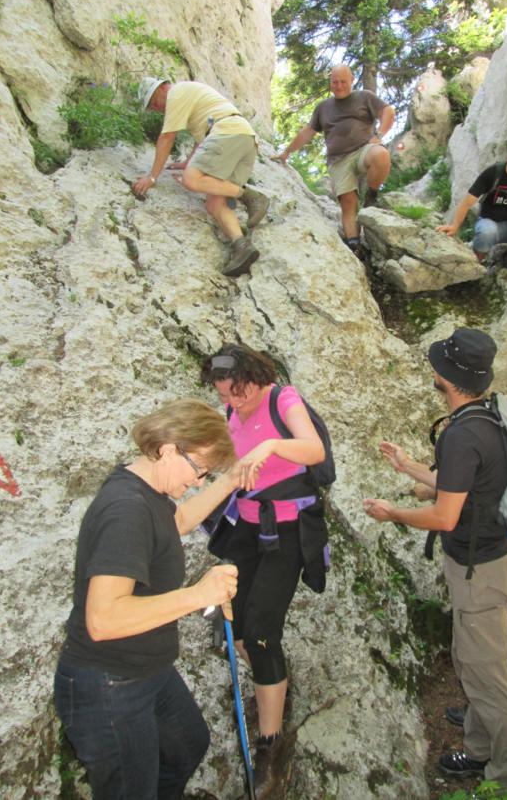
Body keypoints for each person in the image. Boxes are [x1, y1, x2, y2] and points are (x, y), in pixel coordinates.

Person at [53, 398, 263, 800]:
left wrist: (229, 481)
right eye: (199, 469)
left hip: (146, 670)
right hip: (109, 682)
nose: (199, 481)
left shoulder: (145, 490)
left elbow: (176, 522)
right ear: (168, 449)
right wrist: (198, 595)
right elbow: (103, 619)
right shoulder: (126, 510)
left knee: (188, 745)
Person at [363, 327, 507, 788]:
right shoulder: (486, 417)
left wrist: (392, 513)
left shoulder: (461, 435)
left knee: (488, 675)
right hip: (493, 556)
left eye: (438, 364)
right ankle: (478, 749)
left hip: (480, 570)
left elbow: (444, 516)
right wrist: (408, 466)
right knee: (473, 660)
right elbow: (459, 483)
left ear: (449, 378)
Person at [201, 343, 326, 799]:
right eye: (223, 394)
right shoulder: (232, 409)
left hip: (287, 531)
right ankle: (272, 680)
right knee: (235, 628)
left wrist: (271, 444)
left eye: (236, 392)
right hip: (248, 529)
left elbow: (312, 449)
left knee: (259, 634)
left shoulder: (282, 399)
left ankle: (271, 743)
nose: (231, 401)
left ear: (256, 379)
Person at [133, 78, 269, 278]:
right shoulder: (193, 98)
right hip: (244, 139)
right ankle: (241, 246)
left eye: (153, 103)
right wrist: (187, 162)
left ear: (162, 88)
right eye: (151, 108)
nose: (156, 109)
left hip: (227, 133)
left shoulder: (176, 93)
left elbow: (167, 138)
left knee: (191, 180)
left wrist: (151, 177)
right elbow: (203, 140)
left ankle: (249, 196)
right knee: (214, 203)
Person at [272, 64, 395, 255]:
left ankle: (371, 195)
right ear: (330, 83)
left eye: (343, 82)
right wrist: (287, 152)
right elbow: (307, 132)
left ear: (352, 80)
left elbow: (388, 112)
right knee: (348, 202)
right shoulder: (323, 107)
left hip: (364, 149)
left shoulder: (365, 97)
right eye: (335, 82)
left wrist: (379, 135)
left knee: (381, 155)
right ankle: (354, 246)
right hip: (339, 160)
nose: (339, 86)